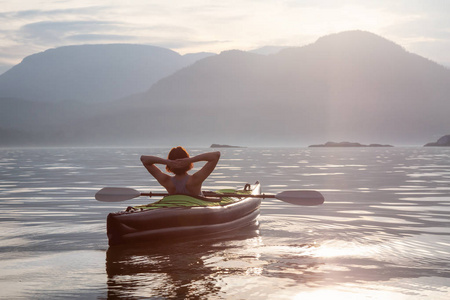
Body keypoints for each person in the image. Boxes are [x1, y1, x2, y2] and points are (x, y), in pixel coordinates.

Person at [140, 147, 220, 196]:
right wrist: (190, 160)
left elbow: (144, 159)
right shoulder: (195, 180)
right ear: (187, 163)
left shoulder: (166, 181)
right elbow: (216, 155)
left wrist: (167, 162)